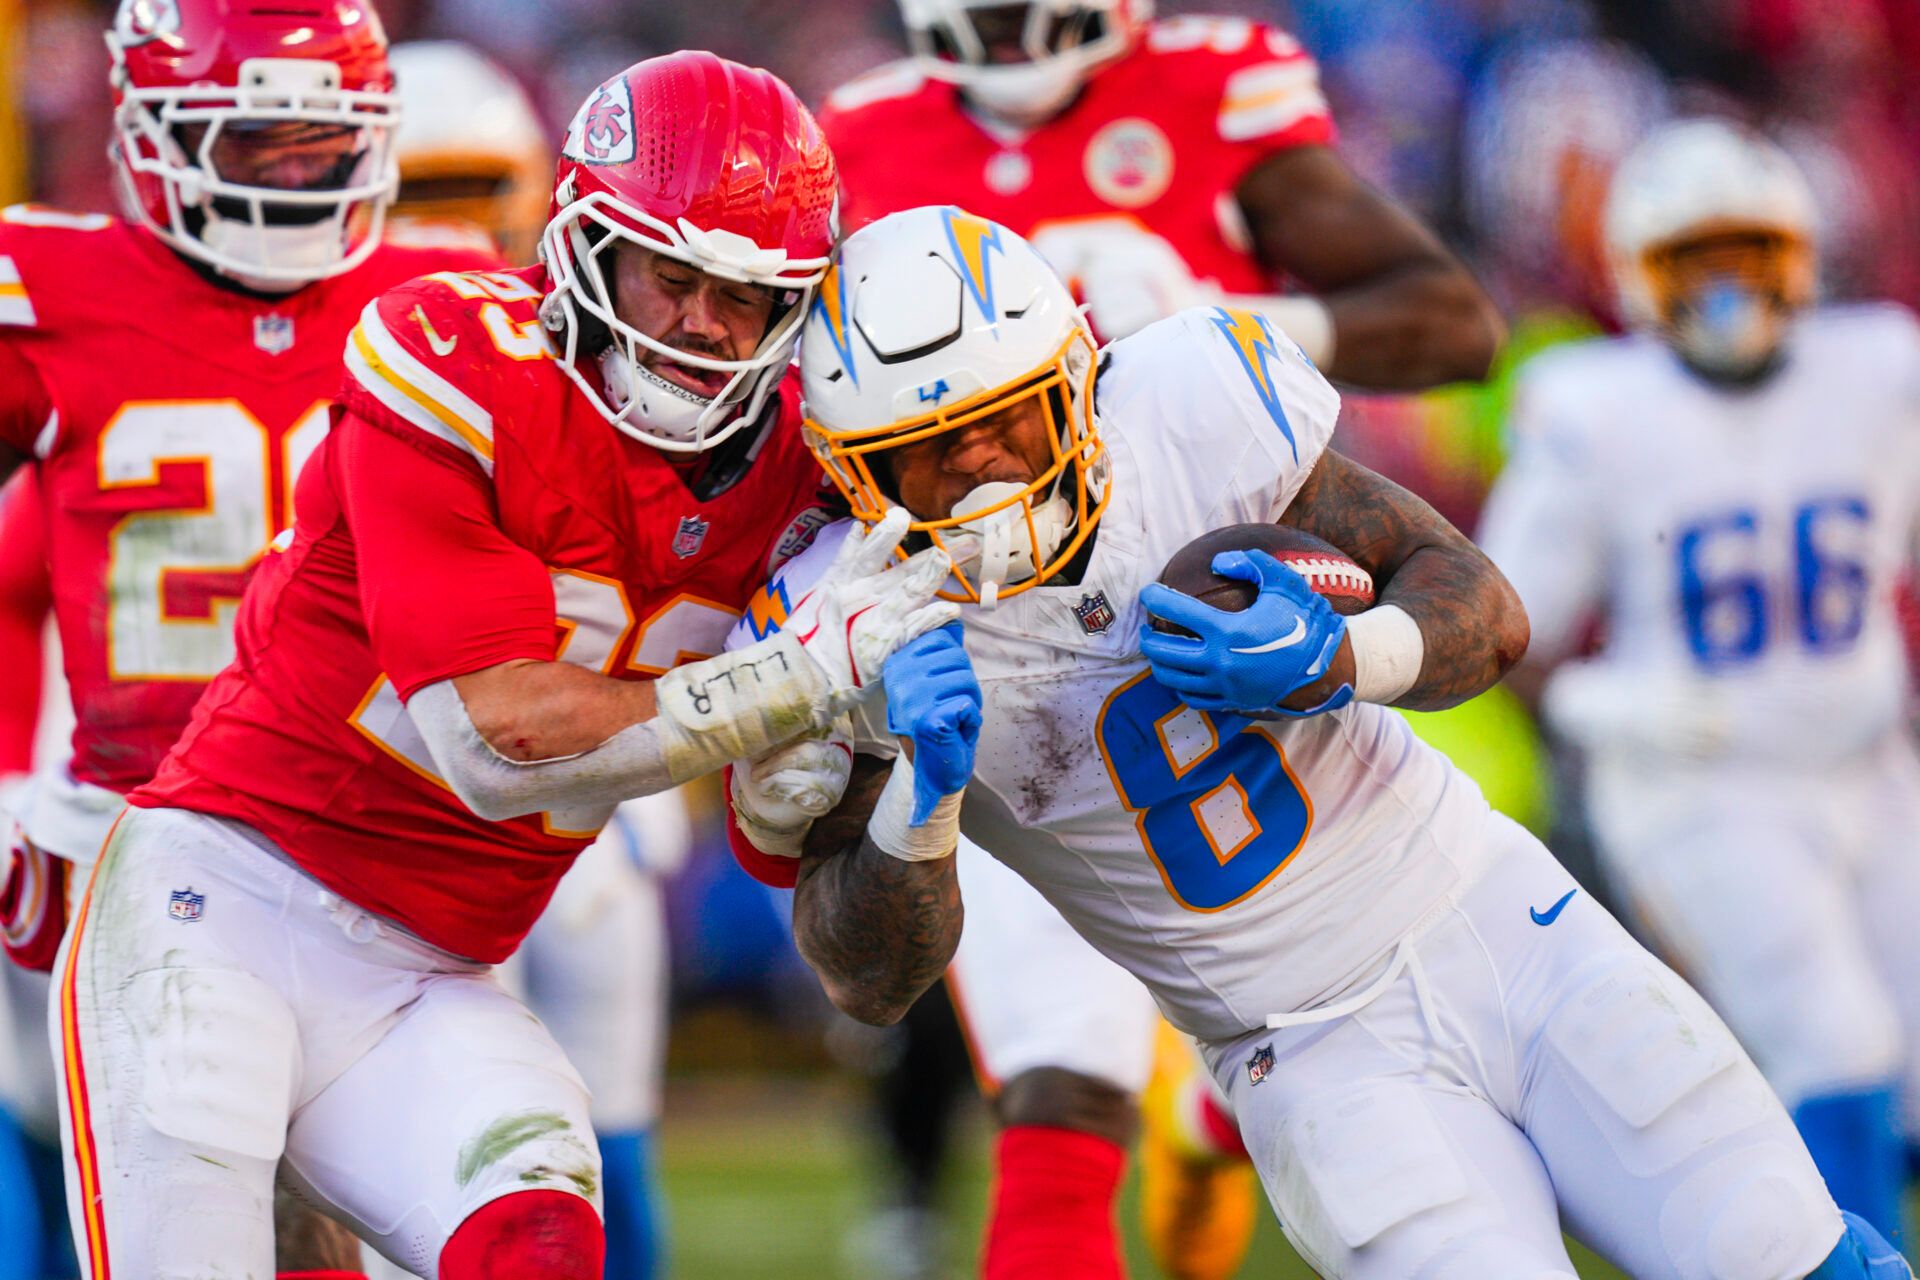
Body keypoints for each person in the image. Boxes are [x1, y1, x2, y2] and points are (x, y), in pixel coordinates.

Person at [727, 204, 1911, 1280]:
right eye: (926, 455)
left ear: (1077, 381)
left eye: (1005, 425)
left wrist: (1349, 659)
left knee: (1787, 1250)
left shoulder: (1185, 412)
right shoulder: (845, 626)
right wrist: (918, 804)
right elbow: (866, 977)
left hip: (1498, 919)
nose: (979, 468)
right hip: (1306, 1054)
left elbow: (1483, 605)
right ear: (853, 480)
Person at [44, 52, 957, 1279]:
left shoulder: (808, 489)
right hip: (222, 901)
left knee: (540, 1239)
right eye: (670, 273)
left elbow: (846, 944)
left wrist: (886, 788)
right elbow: (494, 738)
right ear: (584, 246)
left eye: (743, 295)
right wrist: (788, 682)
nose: (700, 320)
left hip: (433, 970)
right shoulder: (454, 351)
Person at [816, 3, 1506, 1272]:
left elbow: (1454, 322)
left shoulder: (1210, 86)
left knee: (1272, 1024)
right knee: (1060, 1081)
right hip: (992, 644)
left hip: (1191, 610)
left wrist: (1237, 313)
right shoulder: (860, 133)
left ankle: (1215, 1113)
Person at [0, 2, 506, 1274]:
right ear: (156, 138)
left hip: (379, 832)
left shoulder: (452, 296)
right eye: (255, 142)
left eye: (316, 142)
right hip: (125, 836)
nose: (292, 171)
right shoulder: (50, 290)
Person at [1479, 118, 1920, 1245]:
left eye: (1749, 252)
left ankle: (1780, 1235)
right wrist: (1607, 710)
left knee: (1907, 1055)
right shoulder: (1596, 407)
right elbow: (1501, 617)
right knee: (1833, 1037)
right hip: (1702, 774)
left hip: (1868, 761)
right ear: (1639, 277)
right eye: (1695, 260)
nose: (1727, 287)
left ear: (1800, 256)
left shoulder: (1877, 370)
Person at [387, 40, 680, 1278]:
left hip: (584, 768)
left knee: (605, 1106)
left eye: (469, 189)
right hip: (402, 776)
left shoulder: (602, 359)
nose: (449, 226)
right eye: (422, 192)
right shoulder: (402, 356)